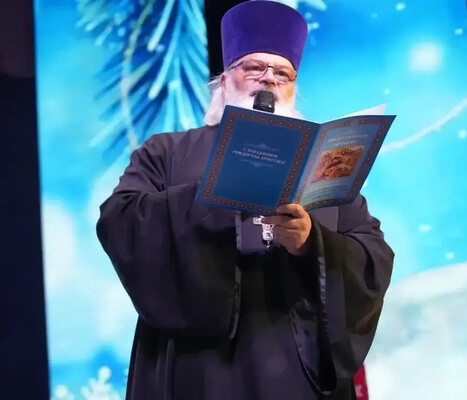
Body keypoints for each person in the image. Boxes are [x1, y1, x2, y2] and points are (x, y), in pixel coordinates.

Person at [96, 1, 394, 399]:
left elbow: (373, 255)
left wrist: (312, 243)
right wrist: (214, 201)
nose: (269, 78)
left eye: (282, 74)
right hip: (199, 366)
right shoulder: (167, 152)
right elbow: (119, 220)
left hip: (294, 364)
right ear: (224, 80)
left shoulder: (321, 163)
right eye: (254, 67)